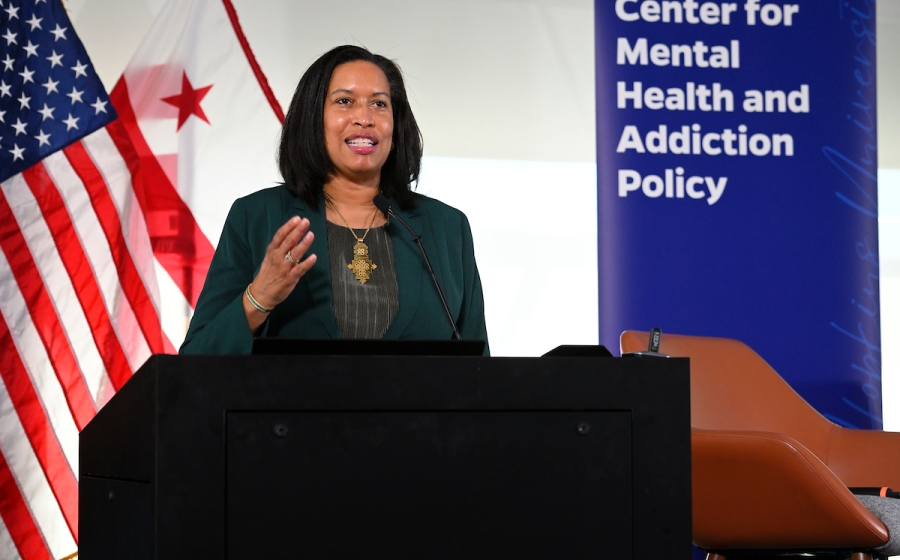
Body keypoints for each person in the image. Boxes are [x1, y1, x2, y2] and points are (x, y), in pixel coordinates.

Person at [179, 45, 488, 355]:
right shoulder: (258, 217)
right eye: (344, 101)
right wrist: (258, 298)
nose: (364, 118)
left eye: (379, 104)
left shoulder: (448, 229)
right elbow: (193, 364)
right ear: (314, 119)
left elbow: (481, 376)